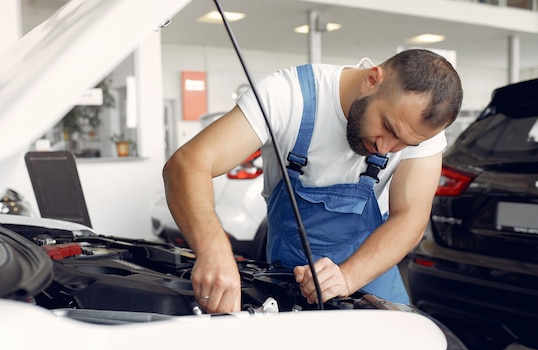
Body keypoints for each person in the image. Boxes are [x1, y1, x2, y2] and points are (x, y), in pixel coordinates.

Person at [163, 48, 463, 313]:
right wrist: (214, 252)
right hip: (288, 284)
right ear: (372, 80)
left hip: (373, 281)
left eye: (404, 144)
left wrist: (347, 277)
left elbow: (410, 216)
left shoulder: (419, 127)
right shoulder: (287, 96)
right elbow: (188, 164)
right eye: (387, 127)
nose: (387, 148)